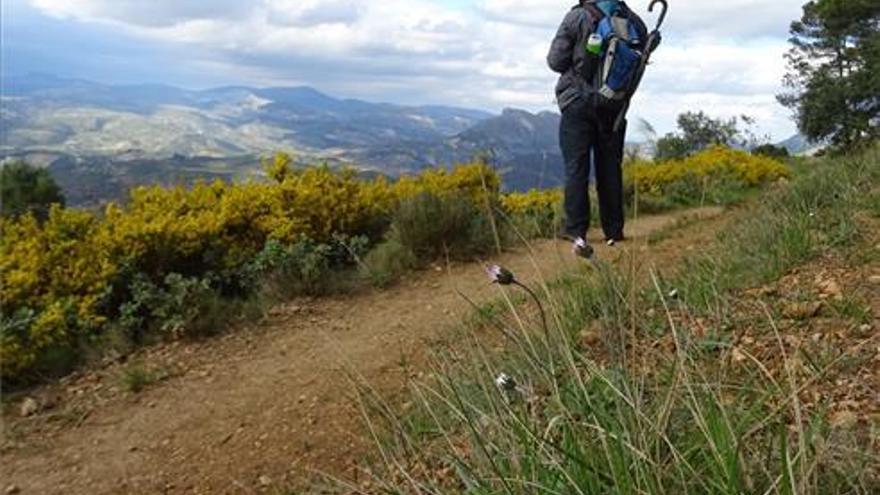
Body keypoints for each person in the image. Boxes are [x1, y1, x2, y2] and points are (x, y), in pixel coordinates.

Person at [547, 0, 647, 258]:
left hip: (577, 102)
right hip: (613, 105)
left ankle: (576, 230)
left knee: (576, 166)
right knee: (610, 167)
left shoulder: (577, 17)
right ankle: (613, 230)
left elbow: (555, 61)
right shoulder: (633, 21)